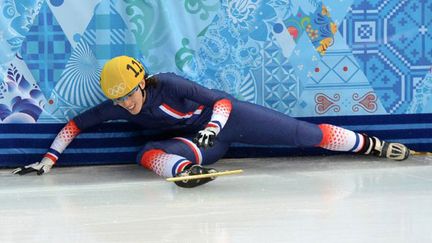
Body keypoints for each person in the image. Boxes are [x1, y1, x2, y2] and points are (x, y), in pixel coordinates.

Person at [12, 56, 410, 188]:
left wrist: (213, 126)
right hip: (196, 144)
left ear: (142, 83)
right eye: (117, 99)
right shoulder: (117, 107)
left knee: (305, 135)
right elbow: (74, 126)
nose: (126, 104)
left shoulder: (168, 84)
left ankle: (372, 145)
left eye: (129, 94)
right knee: (144, 153)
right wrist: (48, 160)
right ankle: (189, 172)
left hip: (229, 121)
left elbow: (220, 101)